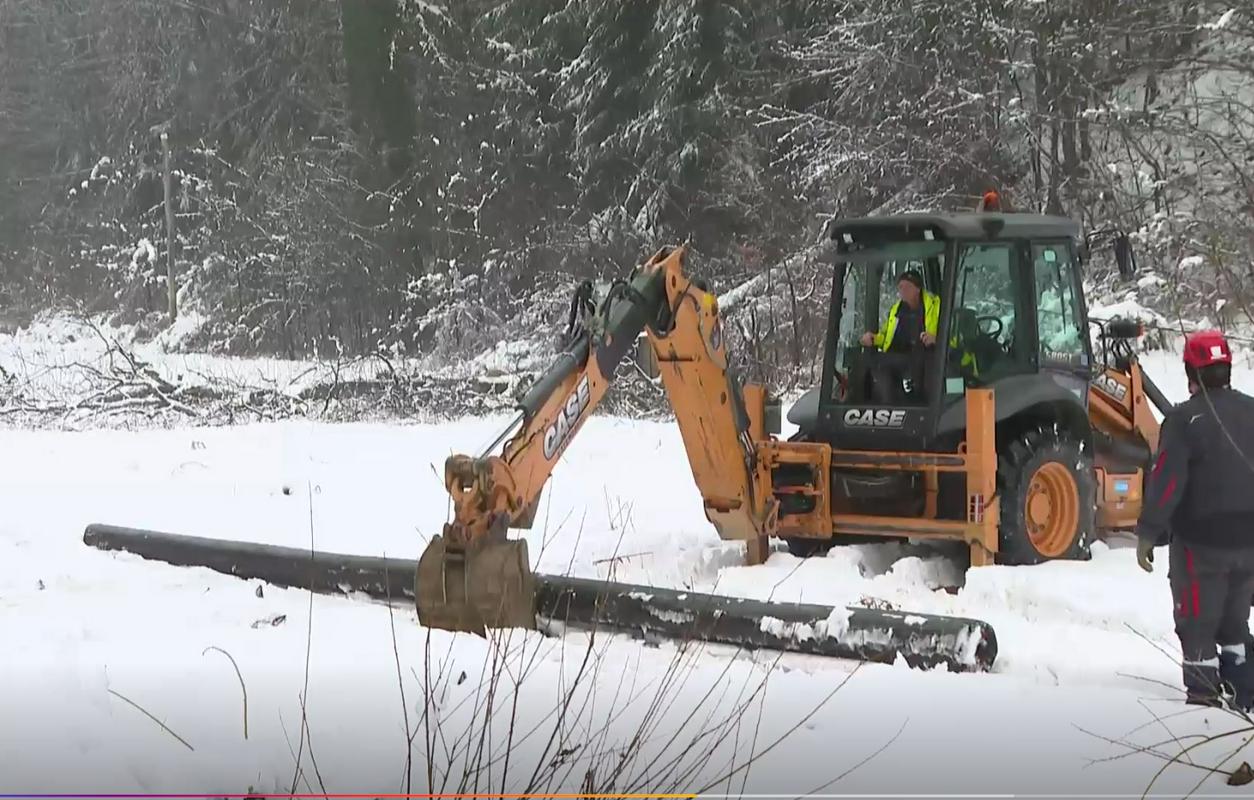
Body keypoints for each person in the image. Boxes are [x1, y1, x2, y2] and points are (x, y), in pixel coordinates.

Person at [1136, 330, 1254, 709]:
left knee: (1199, 626)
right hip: (1249, 545)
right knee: (1236, 623)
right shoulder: (1252, 411)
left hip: (1201, 548)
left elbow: (1168, 482)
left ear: (1191, 370)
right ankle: (1244, 698)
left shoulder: (1184, 420)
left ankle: (1205, 706)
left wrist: (1148, 533)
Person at [859, 270, 940, 402]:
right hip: (901, 357)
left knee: (927, 363)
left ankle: (925, 402)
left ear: (918, 289)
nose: (902, 290)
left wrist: (936, 339)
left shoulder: (935, 307)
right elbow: (886, 336)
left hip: (925, 357)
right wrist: (873, 338)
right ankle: (888, 404)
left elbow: (952, 336)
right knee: (873, 360)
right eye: (900, 287)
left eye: (907, 287)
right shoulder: (897, 310)